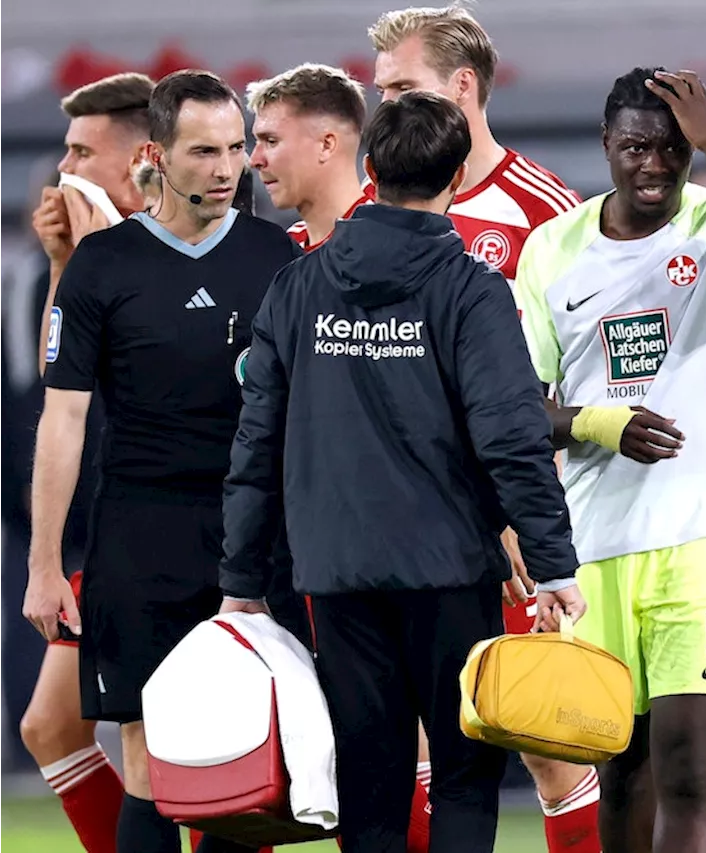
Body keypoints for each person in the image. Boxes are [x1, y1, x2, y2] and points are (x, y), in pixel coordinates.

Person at [218, 90, 584, 853]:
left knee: (370, 775)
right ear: (456, 179)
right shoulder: (470, 290)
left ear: (371, 167)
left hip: (337, 574)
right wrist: (553, 564)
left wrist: (241, 582)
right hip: (449, 570)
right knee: (461, 773)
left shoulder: (300, 285)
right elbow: (512, 437)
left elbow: (256, 444)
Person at [515, 65, 706, 853]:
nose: (654, 166)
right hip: (595, 548)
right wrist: (596, 422)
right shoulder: (554, 248)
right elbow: (516, 412)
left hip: (703, 538)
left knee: (688, 770)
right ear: (606, 145)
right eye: (635, 148)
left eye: (672, 149)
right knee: (621, 771)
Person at [23, 69, 305, 853]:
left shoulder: (278, 256)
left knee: (245, 761)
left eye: (237, 149)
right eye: (204, 151)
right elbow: (63, 418)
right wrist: (46, 563)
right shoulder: (103, 265)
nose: (225, 168)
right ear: (157, 153)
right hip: (139, 537)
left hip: (253, 537)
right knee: (147, 758)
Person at [367, 7, 593, 849]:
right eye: (378, 88)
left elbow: (575, 383)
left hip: (519, 530)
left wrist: (522, 516)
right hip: (405, 524)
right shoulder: (372, 200)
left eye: (401, 87)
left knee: (550, 741)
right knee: (418, 738)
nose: (382, 103)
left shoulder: (548, 211)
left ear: (462, 87)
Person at [19, 70, 153, 853]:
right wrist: (68, 261)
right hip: (112, 525)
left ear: (138, 154)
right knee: (50, 726)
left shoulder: (186, 233)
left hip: (192, 525)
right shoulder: (100, 255)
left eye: (79, 152)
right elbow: (59, 374)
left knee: (182, 743)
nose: (62, 171)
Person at [246, 63, 373, 251]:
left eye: (271, 141)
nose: (254, 160)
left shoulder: (387, 245)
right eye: (257, 142)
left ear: (325, 146)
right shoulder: (283, 251)